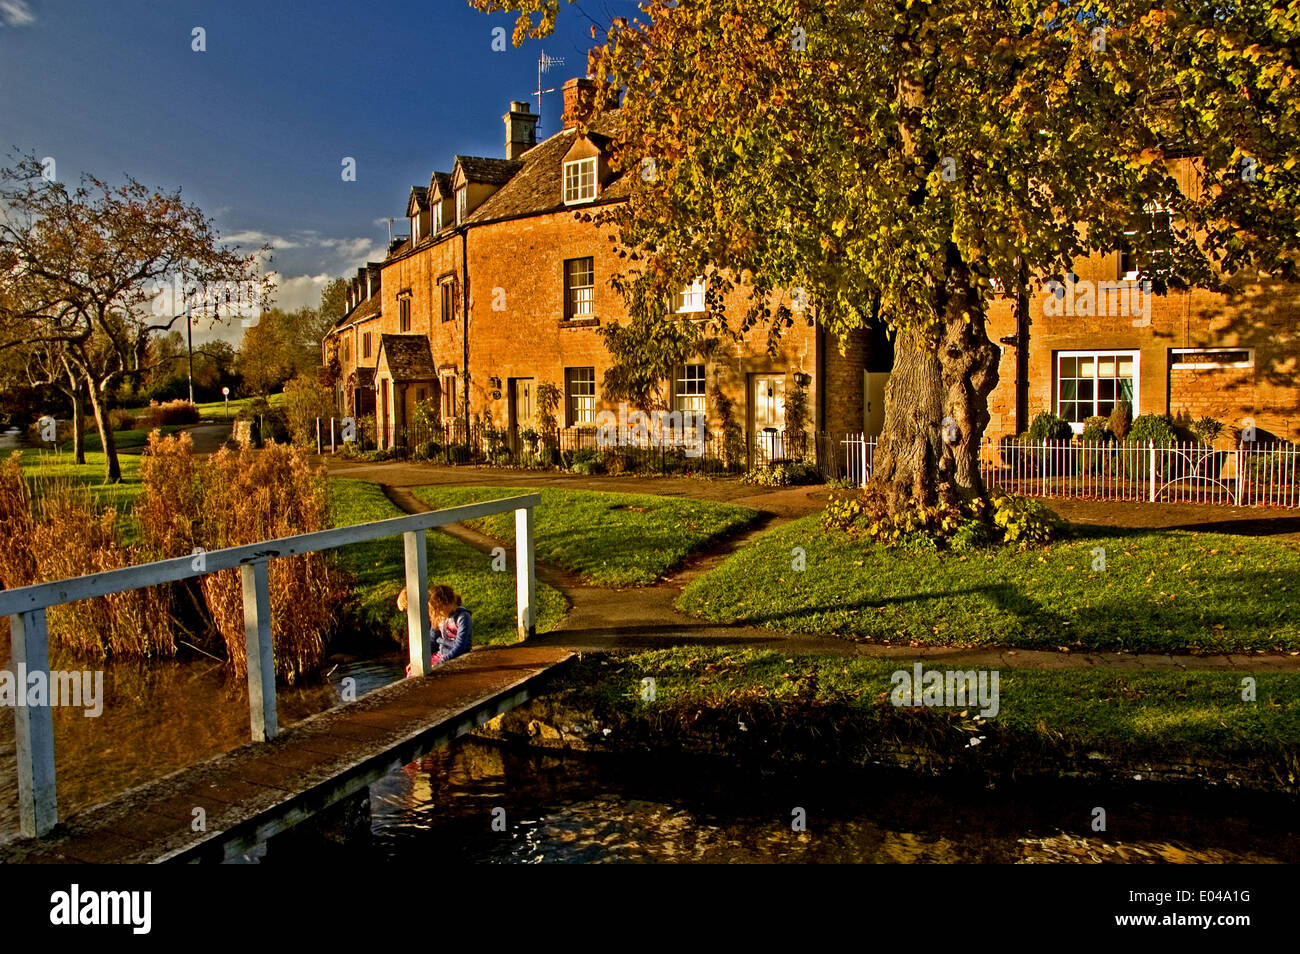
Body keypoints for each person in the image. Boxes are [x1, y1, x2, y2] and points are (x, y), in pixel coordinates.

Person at [396, 584, 473, 676]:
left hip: (455, 655)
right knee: (414, 672)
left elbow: (460, 646)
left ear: (447, 603)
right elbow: (432, 640)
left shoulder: (463, 617)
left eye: (439, 609)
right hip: (441, 654)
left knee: (432, 673)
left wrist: (440, 663)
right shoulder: (438, 617)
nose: (437, 613)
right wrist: (418, 660)